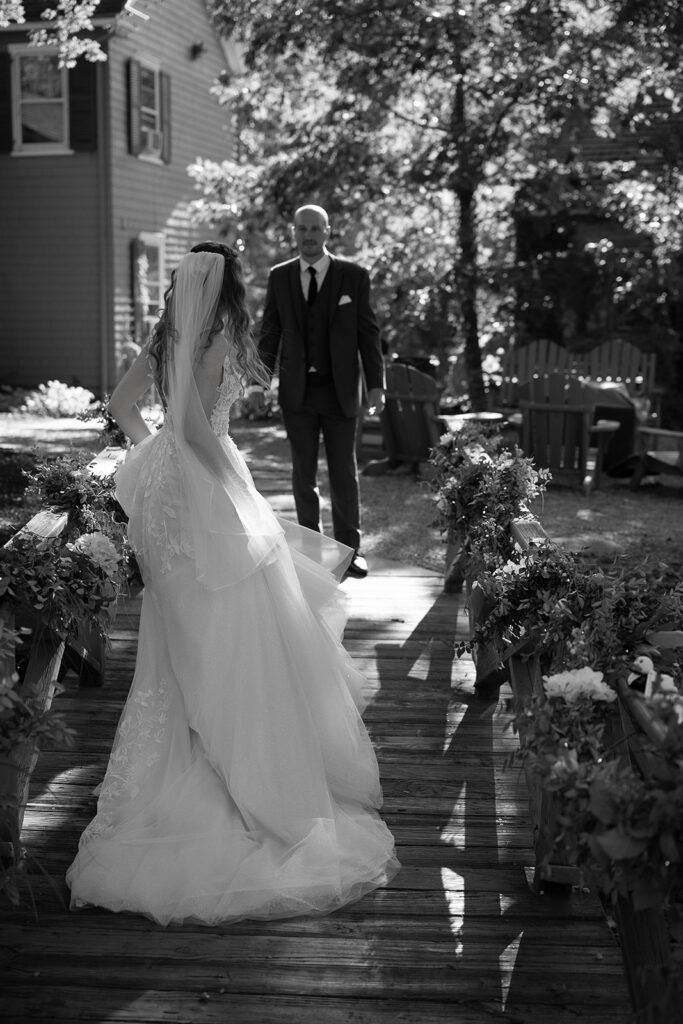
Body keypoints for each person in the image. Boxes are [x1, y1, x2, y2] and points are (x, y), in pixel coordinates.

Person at [66, 242, 399, 925]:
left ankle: (187, 750)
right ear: (230, 290)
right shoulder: (214, 334)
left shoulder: (165, 335)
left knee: (179, 632)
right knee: (227, 630)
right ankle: (239, 772)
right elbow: (193, 426)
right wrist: (233, 492)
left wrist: (146, 458)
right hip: (198, 492)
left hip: (159, 497)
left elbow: (128, 407)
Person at [258, 204, 385, 579]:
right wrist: (259, 380)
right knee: (303, 473)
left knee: (344, 470)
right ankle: (311, 550)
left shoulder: (354, 276)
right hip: (297, 391)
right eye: (302, 229)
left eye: (316, 228)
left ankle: (350, 550)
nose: (309, 235)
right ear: (294, 233)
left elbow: (369, 333)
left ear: (328, 231)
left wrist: (377, 385)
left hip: (341, 390)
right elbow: (270, 332)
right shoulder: (280, 277)